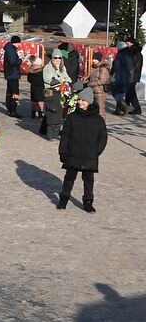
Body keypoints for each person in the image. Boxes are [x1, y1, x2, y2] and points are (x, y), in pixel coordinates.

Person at [56, 83, 108, 212]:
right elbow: (65, 136)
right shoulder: (72, 117)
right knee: (69, 178)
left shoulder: (98, 119)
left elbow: (103, 137)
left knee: (88, 180)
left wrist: (96, 151)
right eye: (79, 99)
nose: (80, 102)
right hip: (73, 153)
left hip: (90, 155)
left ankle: (88, 202)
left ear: (89, 102)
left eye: (83, 100)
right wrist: (63, 152)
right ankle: (63, 199)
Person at [42, 51, 71, 139]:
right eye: (55, 58)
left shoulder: (62, 67)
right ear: (52, 58)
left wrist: (68, 78)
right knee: (51, 111)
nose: (57, 60)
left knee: (58, 111)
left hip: (60, 91)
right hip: (51, 91)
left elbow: (65, 75)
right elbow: (48, 79)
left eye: (59, 58)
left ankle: (55, 131)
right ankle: (48, 131)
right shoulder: (48, 67)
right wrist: (62, 79)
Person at [2, 35, 23, 117]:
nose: (19, 45)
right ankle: (13, 110)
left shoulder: (9, 49)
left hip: (10, 74)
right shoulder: (11, 50)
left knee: (9, 92)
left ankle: (9, 110)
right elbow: (13, 62)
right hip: (12, 74)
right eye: (18, 43)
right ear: (16, 42)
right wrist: (20, 61)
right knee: (14, 92)